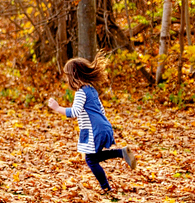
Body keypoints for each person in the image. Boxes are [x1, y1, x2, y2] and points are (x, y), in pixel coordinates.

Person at [47, 52, 137, 193]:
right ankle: (121, 153)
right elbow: (101, 109)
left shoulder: (81, 92)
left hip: (94, 130)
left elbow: (75, 112)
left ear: (74, 76)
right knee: (94, 157)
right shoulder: (91, 90)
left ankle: (106, 187)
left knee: (91, 160)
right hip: (104, 126)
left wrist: (57, 108)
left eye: (68, 76)